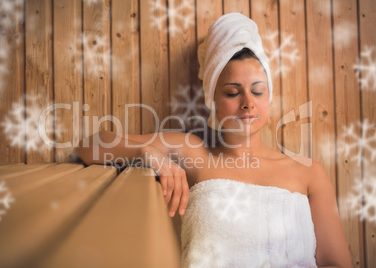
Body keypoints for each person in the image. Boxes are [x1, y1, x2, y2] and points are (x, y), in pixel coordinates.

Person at [75, 12, 351, 268]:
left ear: (269, 96)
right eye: (232, 93)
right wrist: (147, 151)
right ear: (213, 101)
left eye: (257, 91)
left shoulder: (309, 173)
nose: (247, 103)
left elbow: (335, 264)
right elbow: (89, 146)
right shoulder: (194, 154)